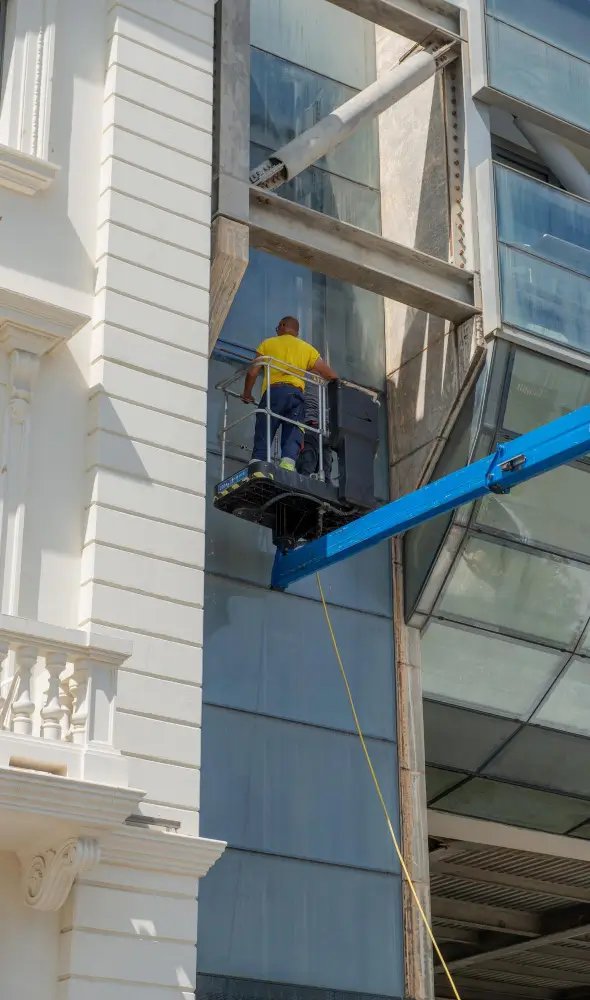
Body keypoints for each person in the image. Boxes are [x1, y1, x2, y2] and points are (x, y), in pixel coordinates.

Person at [242, 316, 337, 471]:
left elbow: (253, 372)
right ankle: (288, 463)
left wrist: (247, 393)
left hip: (274, 392)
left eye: (277, 327)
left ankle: (258, 461)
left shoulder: (268, 343)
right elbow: (331, 375)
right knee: (294, 428)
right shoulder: (307, 349)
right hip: (295, 394)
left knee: (265, 426)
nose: (277, 331)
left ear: (282, 326)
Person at [296, 379, 333, 482]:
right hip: (316, 427)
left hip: (315, 427)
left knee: (310, 464)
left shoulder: (304, 375)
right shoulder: (327, 379)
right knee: (314, 465)